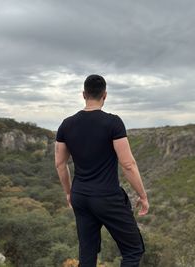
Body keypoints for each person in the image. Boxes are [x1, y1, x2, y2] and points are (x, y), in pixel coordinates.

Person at [55, 74, 149, 267]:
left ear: (83, 94)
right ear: (104, 95)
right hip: (106, 196)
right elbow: (128, 164)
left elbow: (60, 164)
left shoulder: (66, 124)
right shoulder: (112, 123)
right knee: (133, 250)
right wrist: (142, 195)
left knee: (87, 255)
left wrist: (69, 193)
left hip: (80, 196)